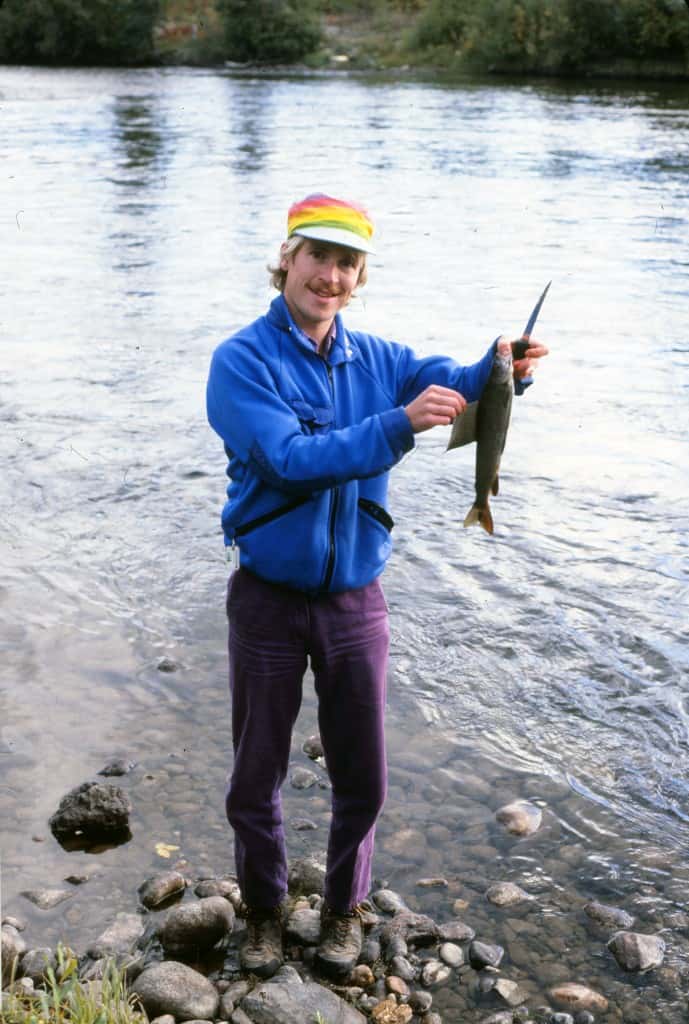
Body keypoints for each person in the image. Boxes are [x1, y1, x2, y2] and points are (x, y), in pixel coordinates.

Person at [206, 193, 548, 980]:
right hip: (266, 597)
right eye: (318, 257)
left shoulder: (382, 360)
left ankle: (343, 908)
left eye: (346, 263)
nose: (330, 276)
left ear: (360, 277)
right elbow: (289, 458)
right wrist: (401, 425)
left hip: (356, 601)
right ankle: (261, 910)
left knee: (364, 773)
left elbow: (459, 381)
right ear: (287, 258)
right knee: (256, 774)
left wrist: (504, 366)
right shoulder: (241, 361)